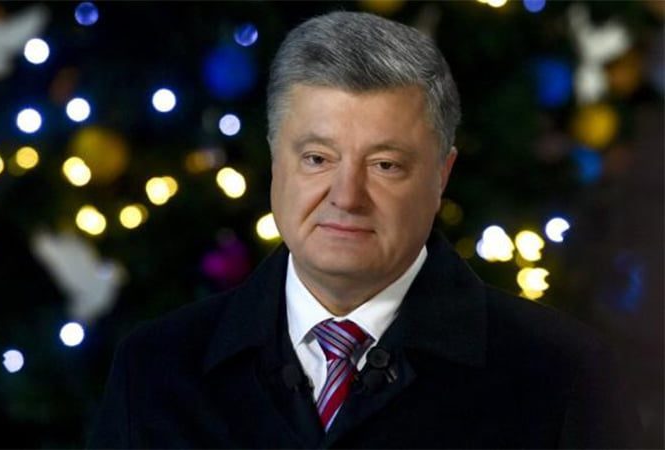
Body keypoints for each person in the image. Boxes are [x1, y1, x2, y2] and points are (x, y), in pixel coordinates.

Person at [88, 11, 638, 449]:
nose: (346, 196)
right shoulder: (155, 369)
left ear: (441, 176)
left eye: (385, 165)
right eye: (317, 158)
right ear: (277, 164)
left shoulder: (566, 375)